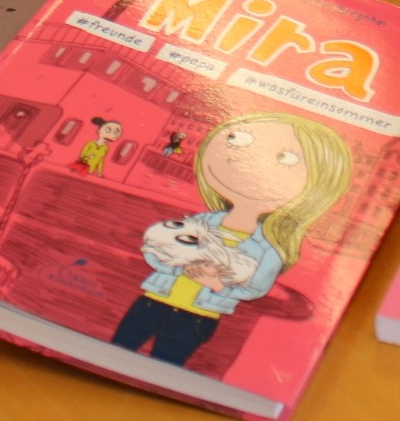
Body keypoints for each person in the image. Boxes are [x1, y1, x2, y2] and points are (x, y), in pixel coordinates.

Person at [110, 112, 352, 367]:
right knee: (117, 352)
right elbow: (155, 248)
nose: (248, 161)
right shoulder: (201, 221)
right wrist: (177, 266)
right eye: (237, 140)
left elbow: (256, 288)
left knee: (165, 366)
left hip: (197, 316)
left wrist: (217, 284)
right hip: (153, 301)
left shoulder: (269, 247)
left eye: (286, 159)